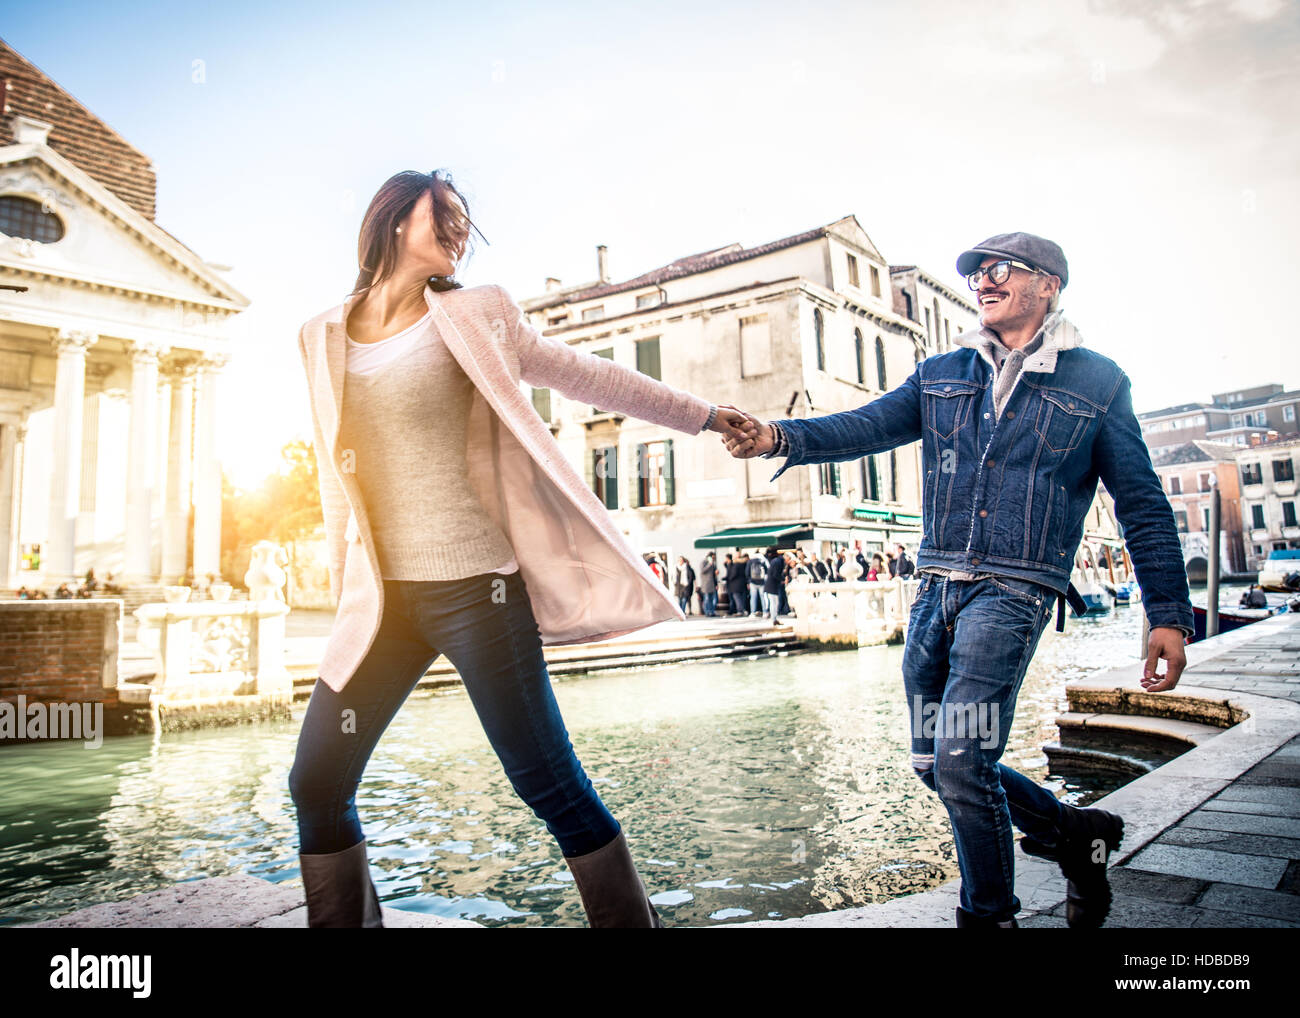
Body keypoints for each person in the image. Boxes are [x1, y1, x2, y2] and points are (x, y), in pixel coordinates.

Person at [289, 169, 755, 928]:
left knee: (547, 782)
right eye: (446, 213)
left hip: (481, 590)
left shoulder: (480, 312)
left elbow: (585, 375)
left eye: (467, 220)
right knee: (316, 779)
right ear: (393, 218)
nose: (460, 229)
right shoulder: (318, 335)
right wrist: (345, 591)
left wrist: (704, 415)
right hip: (383, 601)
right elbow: (330, 475)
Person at [722, 231, 1194, 929]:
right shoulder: (943, 370)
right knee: (932, 761)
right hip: (934, 593)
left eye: (1002, 269)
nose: (983, 280)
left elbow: (1143, 503)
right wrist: (775, 436)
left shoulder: (1097, 381)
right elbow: (866, 425)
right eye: (976, 272)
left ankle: (988, 916)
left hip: (1010, 595)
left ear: (1049, 285)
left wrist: (1167, 613)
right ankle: (1074, 835)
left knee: (963, 755)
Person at [761, 546, 786, 626]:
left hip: (770, 584)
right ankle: (774, 619)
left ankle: (774, 618)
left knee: (773, 602)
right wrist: (782, 579)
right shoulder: (777, 561)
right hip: (773, 585)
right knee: (774, 603)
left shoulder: (773, 561)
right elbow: (776, 574)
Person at [699, 552, 718, 616]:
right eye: (713, 557)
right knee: (706, 599)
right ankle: (707, 612)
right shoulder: (704, 562)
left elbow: (714, 575)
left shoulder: (713, 563)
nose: (714, 558)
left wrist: (716, 584)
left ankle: (712, 612)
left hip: (712, 584)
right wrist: (709, 564)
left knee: (712, 599)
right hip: (706, 584)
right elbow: (702, 571)